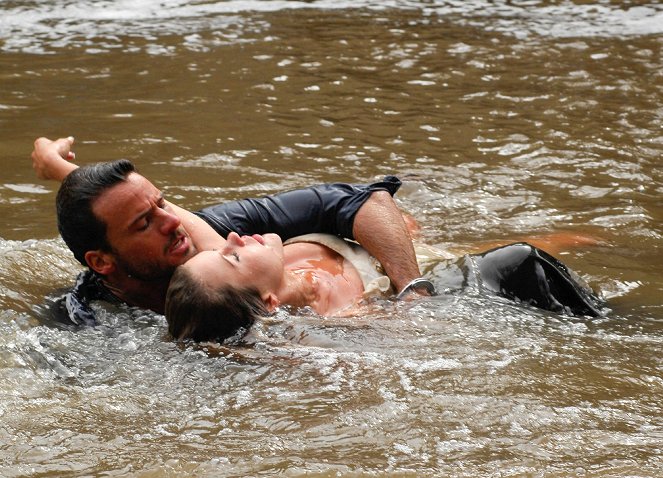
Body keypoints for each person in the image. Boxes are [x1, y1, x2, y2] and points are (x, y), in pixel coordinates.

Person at [31, 137, 428, 324]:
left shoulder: (221, 231)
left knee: (405, 227)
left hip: (369, 258)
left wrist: (412, 295)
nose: (172, 222)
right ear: (101, 261)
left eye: (161, 203)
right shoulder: (83, 315)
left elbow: (366, 200)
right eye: (143, 223)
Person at [165, 226, 605, 343]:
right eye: (234, 255)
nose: (234, 239)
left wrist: (556, 239)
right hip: (454, 288)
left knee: (524, 254)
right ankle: (617, 327)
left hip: (426, 253)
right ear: (270, 301)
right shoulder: (339, 319)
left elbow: (161, 203)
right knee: (519, 260)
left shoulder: (286, 249)